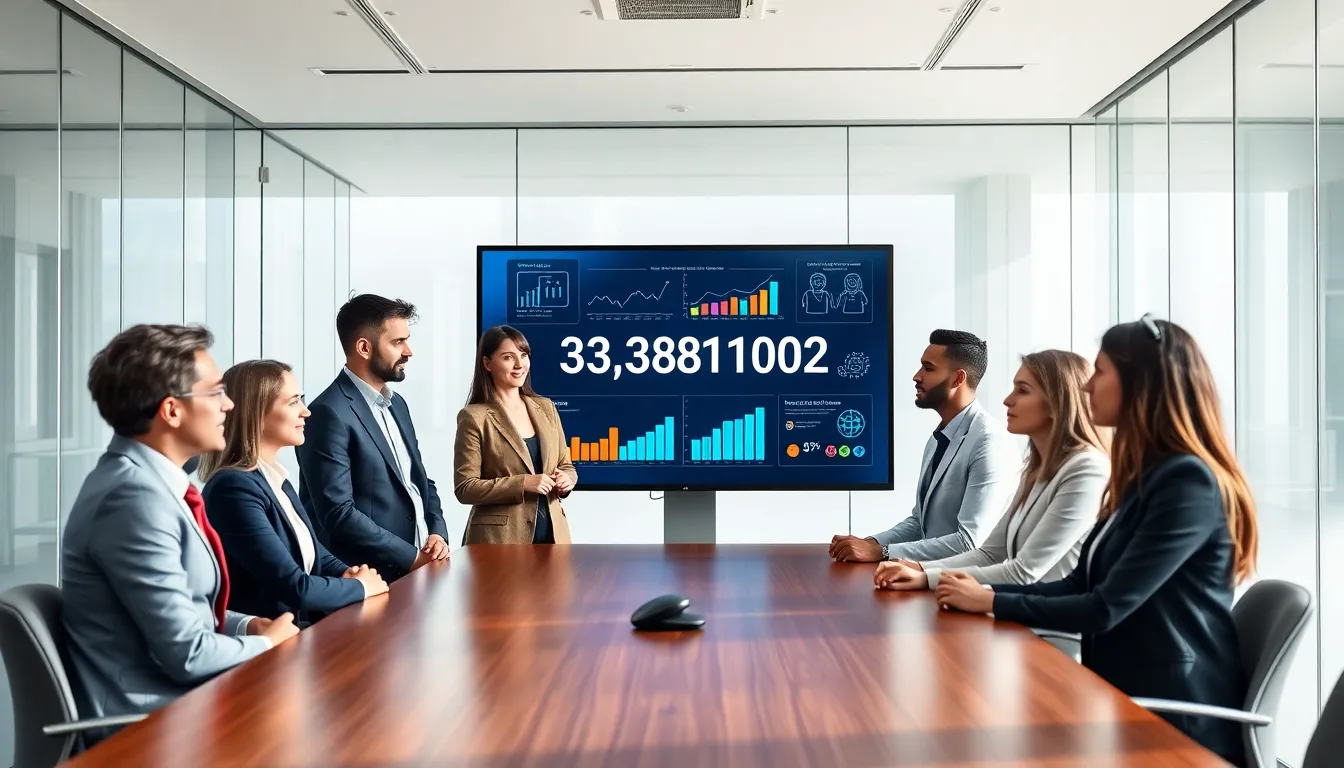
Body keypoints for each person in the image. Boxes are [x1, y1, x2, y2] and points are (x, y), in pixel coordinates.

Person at [935, 316, 1257, 766]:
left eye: (1101, 373)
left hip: (1169, 721)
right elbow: (1078, 585)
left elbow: (1105, 607)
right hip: (1118, 694)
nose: (1087, 389)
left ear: (1139, 385)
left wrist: (990, 601)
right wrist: (983, 595)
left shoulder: (1187, 483)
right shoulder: (1142, 478)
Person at [61, 325, 299, 744]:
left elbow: (185, 613)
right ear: (171, 411)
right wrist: (270, 644)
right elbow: (187, 655)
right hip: (155, 730)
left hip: (188, 707)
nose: (228, 405)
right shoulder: (133, 498)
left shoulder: (152, 485)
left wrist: (247, 628)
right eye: (215, 393)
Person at [874, 350, 1108, 591]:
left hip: (1049, 626)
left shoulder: (1086, 469)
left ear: (1058, 401)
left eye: (1023, 390)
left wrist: (926, 577)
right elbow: (988, 554)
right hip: (1017, 616)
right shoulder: (1035, 471)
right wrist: (920, 570)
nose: (1008, 400)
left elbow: (1023, 571)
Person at [199, 360, 389, 626]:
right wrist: (362, 587)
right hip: (266, 649)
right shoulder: (232, 489)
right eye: (293, 402)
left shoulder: (276, 479)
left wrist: (349, 572)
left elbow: (312, 550)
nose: (306, 412)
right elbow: (294, 587)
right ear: (257, 413)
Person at [297, 294, 449, 582]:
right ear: (364, 348)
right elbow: (338, 514)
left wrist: (437, 533)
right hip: (366, 580)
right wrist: (412, 558)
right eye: (397, 342)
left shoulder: (398, 405)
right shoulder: (327, 413)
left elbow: (418, 481)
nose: (409, 351)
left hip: (416, 572)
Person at [830, 329, 1016, 563]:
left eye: (928, 368)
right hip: (929, 580)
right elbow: (920, 523)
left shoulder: (989, 443)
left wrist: (881, 553)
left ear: (958, 379)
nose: (916, 376)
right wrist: (870, 543)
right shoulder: (939, 437)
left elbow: (969, 543)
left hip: (970, 590)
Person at [454, 325, 577, 544]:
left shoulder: (546, 407)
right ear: (487, 363)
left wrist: (567, 479)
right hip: (498, 542)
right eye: (509, 357)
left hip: (553, 536)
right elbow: (465, 488)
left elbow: (565, 464)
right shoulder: (474, 417)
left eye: (524, 355)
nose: (520, 365)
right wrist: (523, 484)